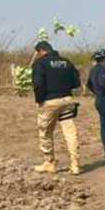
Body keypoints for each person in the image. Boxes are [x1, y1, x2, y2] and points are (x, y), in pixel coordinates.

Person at [30, 41, 81, 175]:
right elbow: (76, 82)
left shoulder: (40, 63)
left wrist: (40, 100)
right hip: (67, 100)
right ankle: (75, 165)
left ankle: (49, 163)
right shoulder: (66, 62)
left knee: (45, 132)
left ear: (41, 51)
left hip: (49, 102)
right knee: (70, 132)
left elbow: (38, 84)